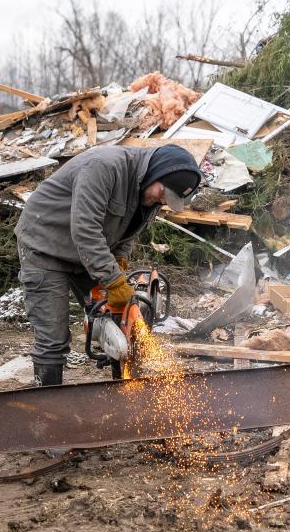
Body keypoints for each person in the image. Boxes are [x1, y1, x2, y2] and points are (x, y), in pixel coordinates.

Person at [15, 144, 202, 386]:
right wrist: (112, 279)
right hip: (45, 246)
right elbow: (85, 230)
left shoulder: (146, 191)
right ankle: (47, 409)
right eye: (163, 194)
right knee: (53, 337)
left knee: (118, 316)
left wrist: (119, 263)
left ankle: (123, 390)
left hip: (88, 252)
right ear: (157, 173)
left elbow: (126, 233)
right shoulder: (103, 167)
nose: (162, 201)